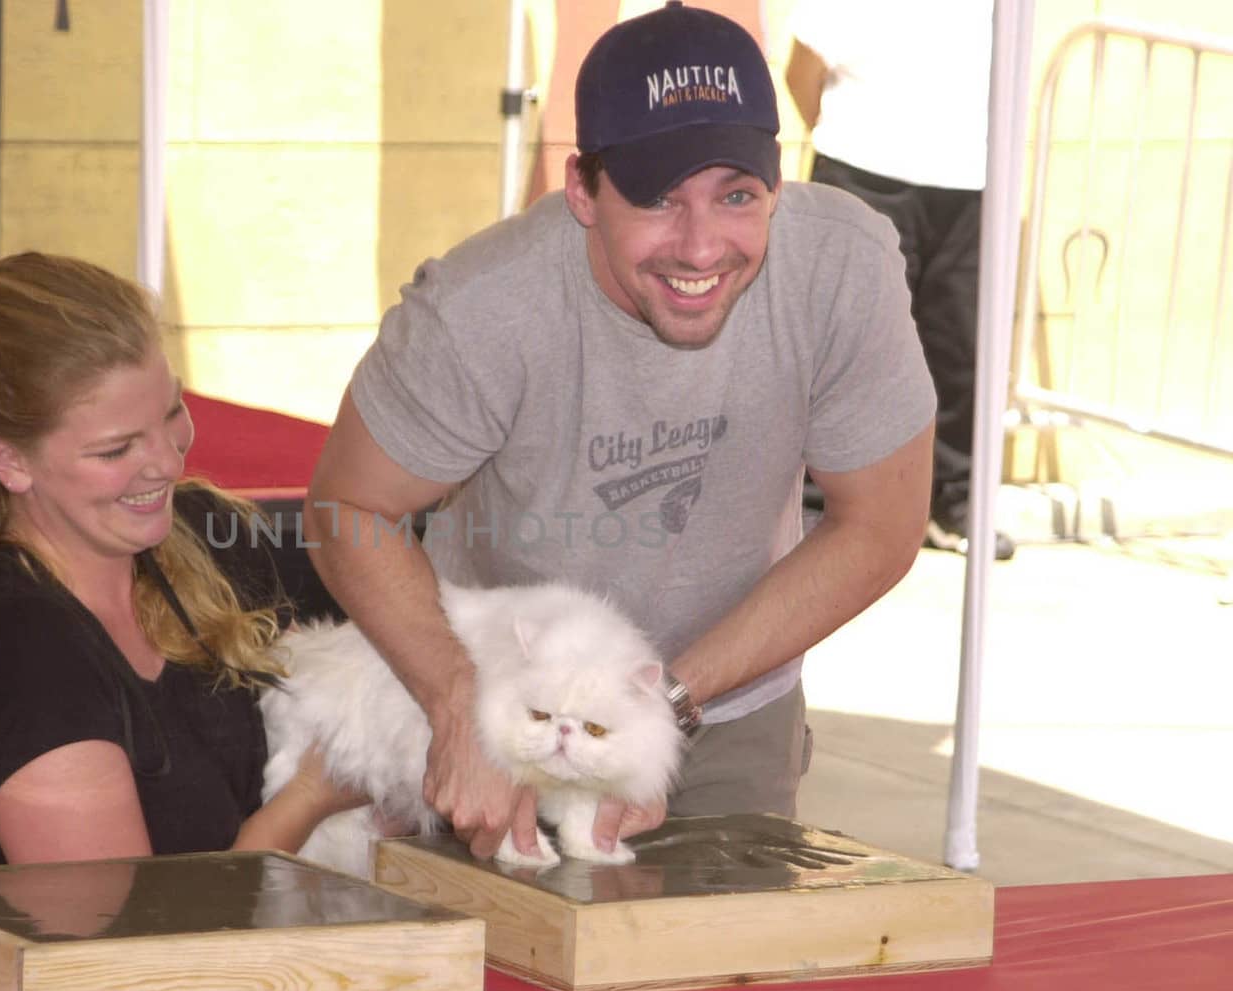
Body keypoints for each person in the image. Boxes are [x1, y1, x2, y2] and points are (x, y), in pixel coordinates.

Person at [303, 2, 937, 862]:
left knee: (722, 977)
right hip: (511, 709)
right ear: (582, 191)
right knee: (497, 975)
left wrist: (665, 705)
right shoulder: (480, 308)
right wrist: (457, 705)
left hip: (734, 701)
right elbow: (347, 509)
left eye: (736, 195)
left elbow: (881, 525)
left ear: (778, 184)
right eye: (657, 200)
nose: (701, 245)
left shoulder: (845, 266)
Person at [0, 251, 361, 874]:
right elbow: (128, 939)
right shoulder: (25, 651)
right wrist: (309, 799)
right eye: (116, 448)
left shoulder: (201, 538)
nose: (167, 461)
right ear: (10, 462)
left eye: (172, 413)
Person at [786, 0, 1013, 560]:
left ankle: (951, 503)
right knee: (848, 347)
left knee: (962, 346)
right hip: (864, 166)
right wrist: (850, 135)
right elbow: (802, 70)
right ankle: (818, 503)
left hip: (972, 178)